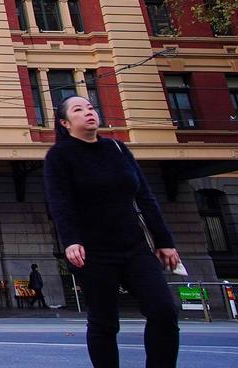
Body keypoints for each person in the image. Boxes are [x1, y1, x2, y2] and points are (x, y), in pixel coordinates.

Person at [44, 95, 181, 368]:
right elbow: (59, 203)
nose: (89, 113)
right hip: (92, 251)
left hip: (134, 247)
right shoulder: (59, 156)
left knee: (164, 311)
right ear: (65, 123)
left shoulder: (117, 148)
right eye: (79, 110)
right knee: (104, 321)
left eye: (91, 107)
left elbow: (145, 196)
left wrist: (165, 241)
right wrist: (70, 240)